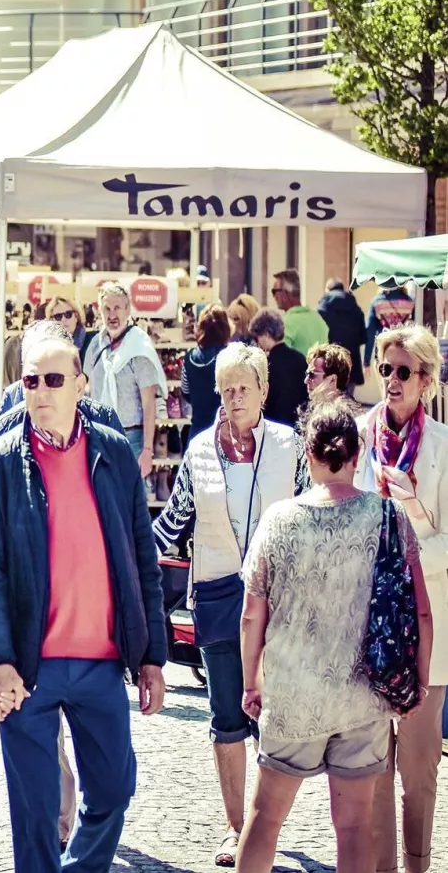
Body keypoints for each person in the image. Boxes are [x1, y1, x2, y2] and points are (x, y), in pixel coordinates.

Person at [0, 332, 167, 873]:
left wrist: (152, 655)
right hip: (29, 667)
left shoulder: (115, 452)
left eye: (54, 380)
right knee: (33, 810)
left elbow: (141, 559)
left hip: (103, 660)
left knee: (112, 789)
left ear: (81, 385)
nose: (40, 391)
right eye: (30, 380)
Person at [236, 402, 434, 873]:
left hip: (293, 694)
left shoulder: (279, 520)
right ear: (357, 451)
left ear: (309, 453)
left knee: (265, 818)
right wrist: (419, 683)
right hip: (362, 697)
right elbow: (421, 612)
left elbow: (250, 616)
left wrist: (251, 683)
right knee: (353, 827)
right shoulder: (389, 518)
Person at [154, 343, 309, 867]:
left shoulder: (292, 447)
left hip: (283, 600)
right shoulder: (198, 451)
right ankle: (236, 827)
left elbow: (317, 516)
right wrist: (124, 557)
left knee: (277, 721)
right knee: (226, 719)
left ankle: (266, 825)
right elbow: (171, 525)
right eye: (226, 388)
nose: (234, 396)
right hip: (219, 598)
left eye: (244, 386)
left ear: (264, 390)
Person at [356, 324, 448, 873]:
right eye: (384, 368)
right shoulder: (359, 435)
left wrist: (412, 524)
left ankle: (417, 865)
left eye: (403, 371)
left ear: (427, 380)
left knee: (418, 768)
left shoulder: (441, 447)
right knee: (370, 767)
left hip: (428, 624)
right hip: (367, 623)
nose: (390, 380)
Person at [83, 281, 166, 475]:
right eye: (107, 309)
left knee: (130, 502)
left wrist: (147, 449)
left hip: (132, 438)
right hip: (100, 434)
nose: (112, 314)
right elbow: (88, 388)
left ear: (128, 310)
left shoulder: (139, 346)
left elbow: (148, 402)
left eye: (118, 307)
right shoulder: (95, 345)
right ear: (100, 312)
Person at [248, 309, 309, 427]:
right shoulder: (300, 358)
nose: (256, 343)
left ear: (266, 334)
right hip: (297, 424)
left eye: (257, 338)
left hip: (273, 425)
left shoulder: (266, 364)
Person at [184, 304, 232, 440]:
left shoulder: (189, 358)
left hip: (197, 430)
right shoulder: (230, 356)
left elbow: (185, 392)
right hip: (224, 431)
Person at [318, 279, 367, 394]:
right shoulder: (355, 308)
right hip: (351, 360)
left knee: (329, 402)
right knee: (347, 401)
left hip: (330, 360)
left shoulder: (322, 307)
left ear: (327, 290)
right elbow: (363, 337)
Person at [270, 269, 328, 356]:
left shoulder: (286, 323)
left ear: (285, 293)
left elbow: (281, 357)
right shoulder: (319, 320)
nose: (274, 296)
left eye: (274, 291)